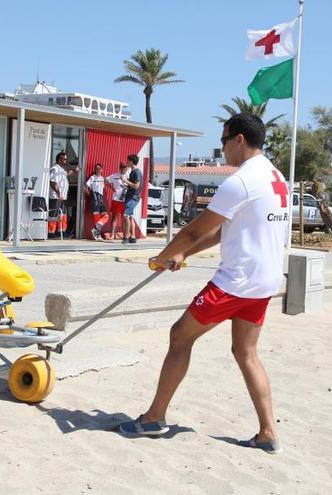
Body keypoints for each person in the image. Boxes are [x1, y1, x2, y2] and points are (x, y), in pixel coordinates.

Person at [117, 113, 289, 455]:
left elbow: (195, 229)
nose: (222, 147)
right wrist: (183, 255)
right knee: (246, 353)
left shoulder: (240, 181)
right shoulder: (275, 176)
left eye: (224, 140)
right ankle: (268, 433)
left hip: (235, 283)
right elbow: (223, 231)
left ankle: (153, 418)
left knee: (179, 336)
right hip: (263, 282)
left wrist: (162, 256)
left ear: (239, 140)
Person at [85, 163, 110, 240]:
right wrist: (89, 194)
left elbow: (107, 186)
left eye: (99, 169)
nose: (98, 170)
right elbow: (86, 186)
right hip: (94, 200)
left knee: (106, 216)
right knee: (96, 218)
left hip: (101, 200)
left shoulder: (103, 178)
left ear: (102, 170)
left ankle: (95, 230)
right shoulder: (92, 177)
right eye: (96, 169)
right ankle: (97, 235)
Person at [121, 154, 142, 244]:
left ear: (131, 161)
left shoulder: (137, 172)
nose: (126, 162)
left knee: (126, 215)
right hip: (130, 196)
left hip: (133, 198)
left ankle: (126, 237)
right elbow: (132, 185)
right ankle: (132, 237)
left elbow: (136, 186)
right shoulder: (133, 172)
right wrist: (126, 185)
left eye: (128, 160)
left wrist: (125, 180)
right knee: (130, 217)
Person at [105, 163, 129, 241]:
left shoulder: (128, 176)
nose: (123, 169)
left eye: (125, 167)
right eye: (122, 167)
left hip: (125, 200)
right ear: (119, 168)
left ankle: (125, 235)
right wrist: (111, 188)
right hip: (116, 199)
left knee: (124, 218)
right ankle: (112, 235)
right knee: (115, 217)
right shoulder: (115, 175)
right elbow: (105, 180)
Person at [48, 152, 69, 238]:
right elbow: (52, 182)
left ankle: (62, 232)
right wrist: (58, 193)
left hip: (62, 197)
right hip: (56, 196)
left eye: (65, 159)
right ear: (59, 159)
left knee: (63, 214)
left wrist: (75, 170)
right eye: (63, 159)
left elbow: (67, 174)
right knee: (54, 214)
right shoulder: (55, 169)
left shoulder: (61, 170)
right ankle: (50, 233)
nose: (65, 161)